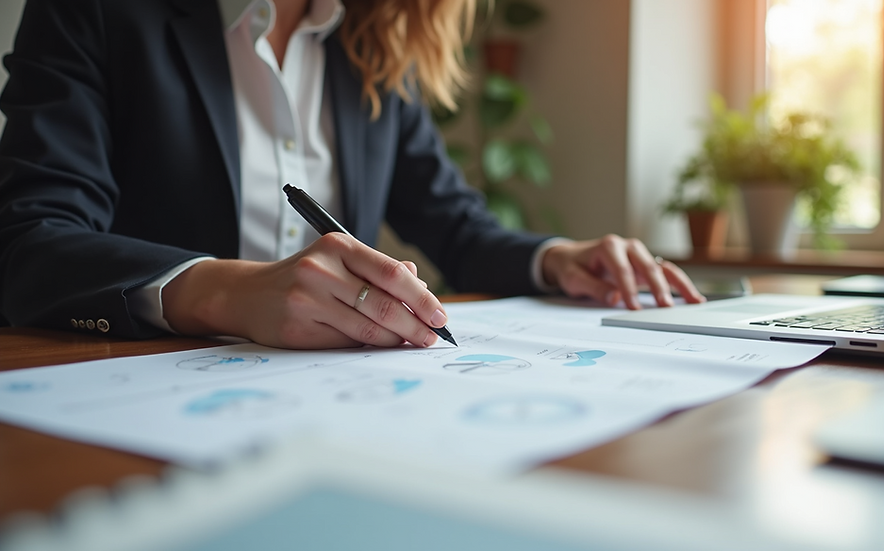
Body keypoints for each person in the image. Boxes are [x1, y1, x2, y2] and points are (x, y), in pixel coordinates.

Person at [0, 0, 704, 350]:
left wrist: (558, 260)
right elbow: (31, 240)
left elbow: (457, 227)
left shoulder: (374, 45)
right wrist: (223, 291)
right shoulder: (97, 11)